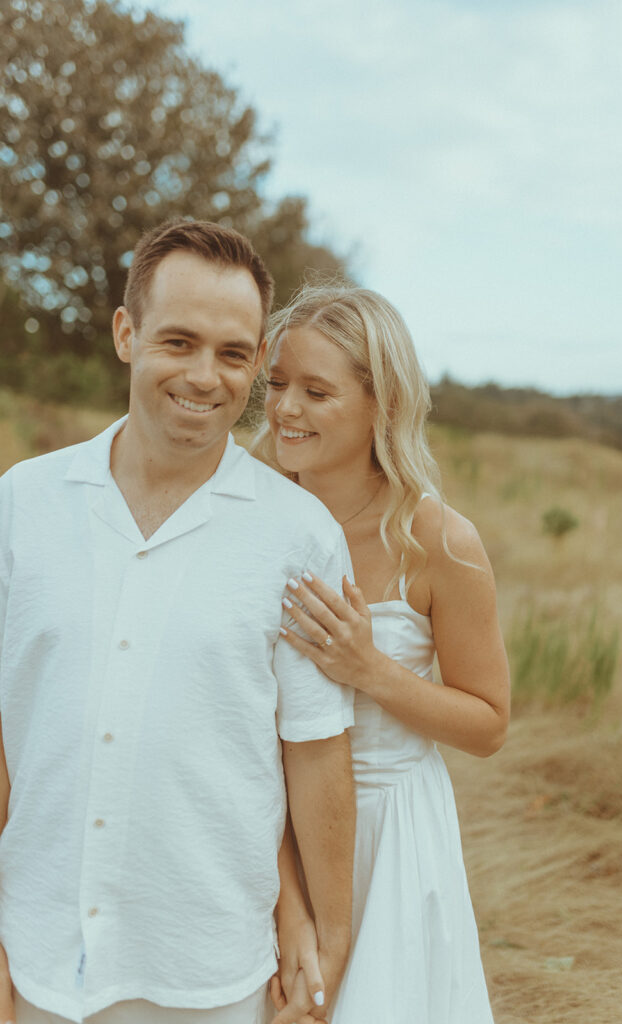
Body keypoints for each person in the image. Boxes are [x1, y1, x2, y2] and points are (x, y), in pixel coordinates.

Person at [0, 222, 357, 1024]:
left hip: (212, 973)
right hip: (36, 958)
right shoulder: (20, 503)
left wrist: (328, 938)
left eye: (233, 354)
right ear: (126, 334)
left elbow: (316, 751)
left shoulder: (299, 536)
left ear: (259, 363)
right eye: (178, 341)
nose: (205, 376)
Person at [255, 284, 510, 1023]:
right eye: (276, 385)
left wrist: (369, 669)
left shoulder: (438, 542)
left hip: (390, 835)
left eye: (315, 391)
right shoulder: (247, 512)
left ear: (382, 404)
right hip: (268, 825)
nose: (284, 410)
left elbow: (487, 725)